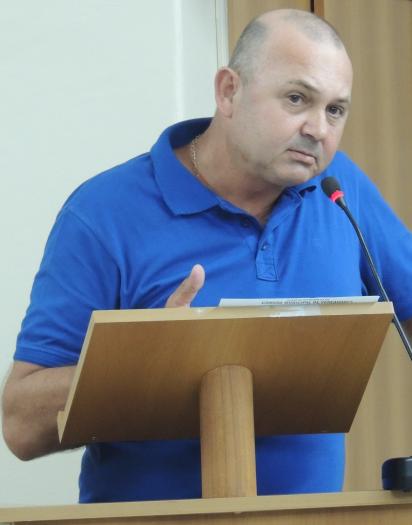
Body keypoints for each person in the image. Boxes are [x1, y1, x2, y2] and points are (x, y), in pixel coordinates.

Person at [2, 8, 412, 502]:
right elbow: (20, 425)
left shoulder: (340, 192)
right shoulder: (103, 212)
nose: (318, 129)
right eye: (297, 98)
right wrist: (137, 362)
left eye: (336, 110)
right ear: (228, 91)